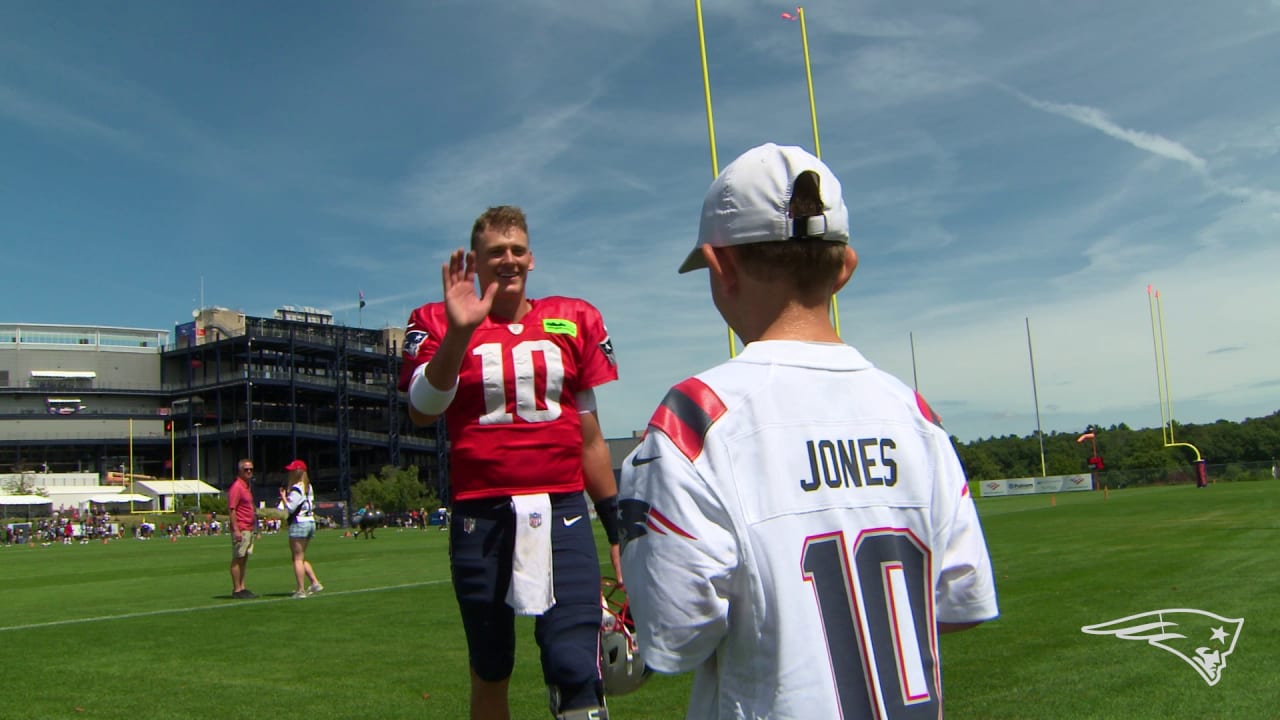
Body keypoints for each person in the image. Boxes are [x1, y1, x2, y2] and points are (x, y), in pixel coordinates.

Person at [619, 143, 1000, 719]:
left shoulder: (696, 419)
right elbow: (957, 604)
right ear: (844, 267)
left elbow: (678, 633)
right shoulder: (917, 416)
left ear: (721, 269)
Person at [398, 205, 621, 720]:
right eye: (496, 251)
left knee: (576, 666)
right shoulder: (434, 320)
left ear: (532, 258)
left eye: (517, 249)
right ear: (475, 261)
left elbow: (590, 437)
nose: (508, 259)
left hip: (562, 509)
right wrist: (459, 332)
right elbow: (422, 410)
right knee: (491, 666)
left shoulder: (574, 318)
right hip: (483, 516)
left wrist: (614, 523)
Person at [278, 459, 323, 599]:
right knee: (301, 556)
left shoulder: (297, 488)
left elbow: (290, 508)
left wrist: (284, 498)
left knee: (297, 558)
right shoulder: (309, 487)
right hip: (310, 521)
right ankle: (315, 582)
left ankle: (300, 590)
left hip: (299, 522)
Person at [227, 458, 258, 600]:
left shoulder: (246, 487)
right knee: (238, 558)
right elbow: (232, 509)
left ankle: (242, 586)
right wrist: (236, 530)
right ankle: (237, 589)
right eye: (246, 469)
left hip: (248, 527)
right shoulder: (237, 487)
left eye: (251, 469)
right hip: (241, 527)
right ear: (240, 471)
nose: (249, 472)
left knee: (244, 558)